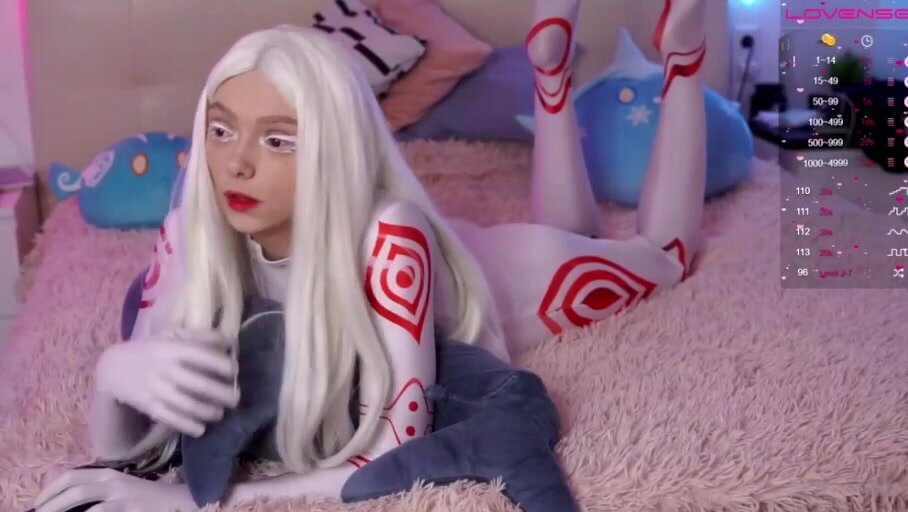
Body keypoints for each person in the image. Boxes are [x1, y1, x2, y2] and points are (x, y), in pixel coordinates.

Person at [32, 0, 707, 509]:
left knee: (664, 255)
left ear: (335, 148)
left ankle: (679, 61)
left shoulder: (392, 237)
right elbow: (127, 453)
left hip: (507, 277)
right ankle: (549, 77)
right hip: (428, 262)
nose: (236, 164)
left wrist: (200, 502)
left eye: (278, 140)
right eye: (221, 130)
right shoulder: (191, 232)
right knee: (584, 228)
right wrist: (112, 373)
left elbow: (398, 445)